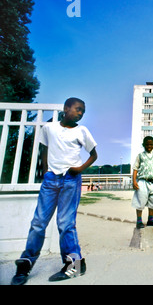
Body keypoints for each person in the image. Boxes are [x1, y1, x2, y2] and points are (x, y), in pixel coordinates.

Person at [11, 97, 98, 285]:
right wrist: (45, 171)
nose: (81, 113)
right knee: (38, 222)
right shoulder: (49, 128)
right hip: (51, 179)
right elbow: (44, 148)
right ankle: (25, 264)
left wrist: (80, 169)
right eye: (78, 109)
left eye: (83, 111)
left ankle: (74, 265)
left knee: (66, 223)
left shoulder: (82, 131)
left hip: (71, 179)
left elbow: (94, 155)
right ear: (66, 108)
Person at [132, 136, 153, 229]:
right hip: (142, 181)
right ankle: (139, 221)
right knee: (140, 201)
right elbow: (135, 168)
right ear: (143, 145)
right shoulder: (140, 156)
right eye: (147, 144)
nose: (149, 146)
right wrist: (134, 181)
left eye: (151, 144)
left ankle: (150, 220)